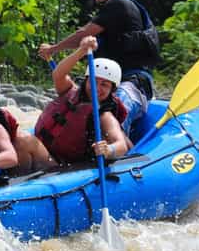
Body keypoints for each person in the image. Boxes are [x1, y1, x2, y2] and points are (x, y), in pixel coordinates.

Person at [38, 0, 161, 136]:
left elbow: (83, 34)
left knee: (116, 107)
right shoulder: (108, 17)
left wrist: (54, 48)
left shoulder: (119, 4)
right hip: (103, 84)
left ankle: (115, 148)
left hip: (132, 82)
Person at [34, 36, 132, 164]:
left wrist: (108, 150)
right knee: (23, 140)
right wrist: (82, 50)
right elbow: (58, 74)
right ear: (86, 81)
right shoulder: (69, 91)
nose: (97, 88)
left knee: (26, 142)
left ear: (112, 90)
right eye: (93, 81)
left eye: (104, 85)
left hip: (66, 167)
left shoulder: (104, 115)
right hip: (49, 153)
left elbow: (121, 145)